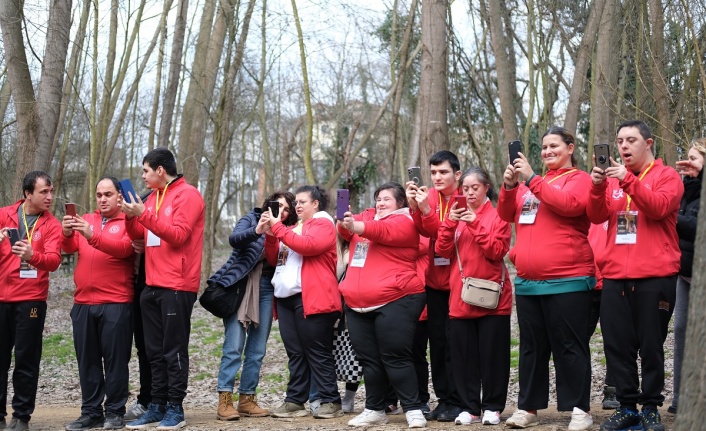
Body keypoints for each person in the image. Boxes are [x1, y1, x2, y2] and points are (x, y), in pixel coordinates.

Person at [497, 127, 595, 431]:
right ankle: (528, 408)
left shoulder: (580, 179)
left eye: (554, 146)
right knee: (531, 348)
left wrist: (531, 179)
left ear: (570, 148)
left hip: (568, 279)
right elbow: (504, 213)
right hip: (528, 283)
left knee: (570, 346)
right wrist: (509, 187)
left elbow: (569, 205)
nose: (547, 151)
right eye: (543, 147)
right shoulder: (529, 186)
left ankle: (579, 409)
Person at [587, 120, 682, 431]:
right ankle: (627, 406)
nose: (624, 146)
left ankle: (651, 407)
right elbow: (596, 215)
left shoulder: (667, 176)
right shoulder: (614, 180)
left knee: (651, 344)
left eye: (631, 140)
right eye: (619, 141)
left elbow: (657, 207)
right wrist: (598, 185)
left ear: (649, 143)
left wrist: (627, 180)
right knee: (617, 344)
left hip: (655, 276)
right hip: (615, 276)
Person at [121, 148, 205, 431]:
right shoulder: (152, 198)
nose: (142, 176)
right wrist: (131, 214)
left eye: (145, 170)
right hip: (151, 284)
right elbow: (135, 234)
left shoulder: (188, 195)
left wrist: (142, 214)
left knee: (173, 349)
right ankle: (156, 405)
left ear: (159, 170)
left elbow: (179, 235)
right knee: (152, 350)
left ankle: (175, 408)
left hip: (178, 284)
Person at [338, 182, 427, 428]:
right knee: (369, 361)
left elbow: (381, 231)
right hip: (357, 304)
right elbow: (346, 231)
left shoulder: (406, 221)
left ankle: (413, 408)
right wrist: (344, 221)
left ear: (400, 203)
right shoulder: (368, 217)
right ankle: (374, 409)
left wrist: (354, 225)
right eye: (378, 198)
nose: (380, 202)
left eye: (387, 199)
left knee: (396, 357)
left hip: (397, 299)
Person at [210, 191, 297, 420]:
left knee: (257, 349)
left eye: (286, 209)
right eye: (277, 205)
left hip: (267, 288)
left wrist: (274, 233)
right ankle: (225, 399)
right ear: (267, 204)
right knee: (234, 345)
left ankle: (247, 398)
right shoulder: (251, 218)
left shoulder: (286, 231)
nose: (281, 211)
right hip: (241, 285)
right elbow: (234, 239)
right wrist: (258, 230)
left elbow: (277, 260)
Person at [435, 167, 512, 426]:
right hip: (460, 296)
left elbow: (496, 250)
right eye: (465, 189)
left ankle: (493, 406)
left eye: (474, 188)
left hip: (492, 296)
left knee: (493, 355)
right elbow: (442, 251)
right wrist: (449, 224)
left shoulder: (497, 215)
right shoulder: (455, 216)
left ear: (486, 188)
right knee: (464, 356)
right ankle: (470, 407)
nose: (468, 193)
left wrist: (474, 223)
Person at [60, 177, 136, 430]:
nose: (102, 199)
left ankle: (114, 412)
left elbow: (125, 249)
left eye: (108, 194)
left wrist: (92, 236)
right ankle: (90, 412)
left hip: (115, 302)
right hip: (83, 302)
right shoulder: (87, 219)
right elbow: (69, 249)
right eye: (99, 194)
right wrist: (68, 232)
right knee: (88, 361)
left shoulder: (128, 221)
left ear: (119, 197)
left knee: (115, 361)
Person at [262, 185, 343, 419]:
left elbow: (308, 247)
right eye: (295, 202)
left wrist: (277, 227)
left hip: (313, 297)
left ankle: (330, 400)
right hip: (287, 299)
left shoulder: (323, 223)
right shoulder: (296, 227)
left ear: (315, 204)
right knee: (295, 353)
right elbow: (275, 259)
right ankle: (295, 401)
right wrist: (269, 235)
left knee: (317, 351)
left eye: (302, 202)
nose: (297, 206)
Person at [0, 171, 62, 431]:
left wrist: (32, 254)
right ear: (28, 194)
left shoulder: (52, 224)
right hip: (2, 297)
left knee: (26, 359)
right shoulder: (3, 215)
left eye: (50, 191)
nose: (49, 196)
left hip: (32, 299)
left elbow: (54, 261)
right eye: (43, 192)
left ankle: (21, 416)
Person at [405, 150, 462, 422]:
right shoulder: (429, 198)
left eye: (443, 172)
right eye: (434, 172)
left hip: (462, 282)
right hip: (435, 281)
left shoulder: (466, 197)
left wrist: (425, 211)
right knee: (438, 344)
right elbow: (424, 232)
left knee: (458, 343)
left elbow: (445, 235)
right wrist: (416, 208)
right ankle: (444, 398)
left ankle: (462, 398)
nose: (437, 177)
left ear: (457, 174)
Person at [669, 138, 705, 415]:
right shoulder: (682, 191)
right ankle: (681, 398)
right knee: (681, 331)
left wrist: (669, 216)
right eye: (687, 157)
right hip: (684, 275)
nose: (688, 163)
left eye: (695, 158)